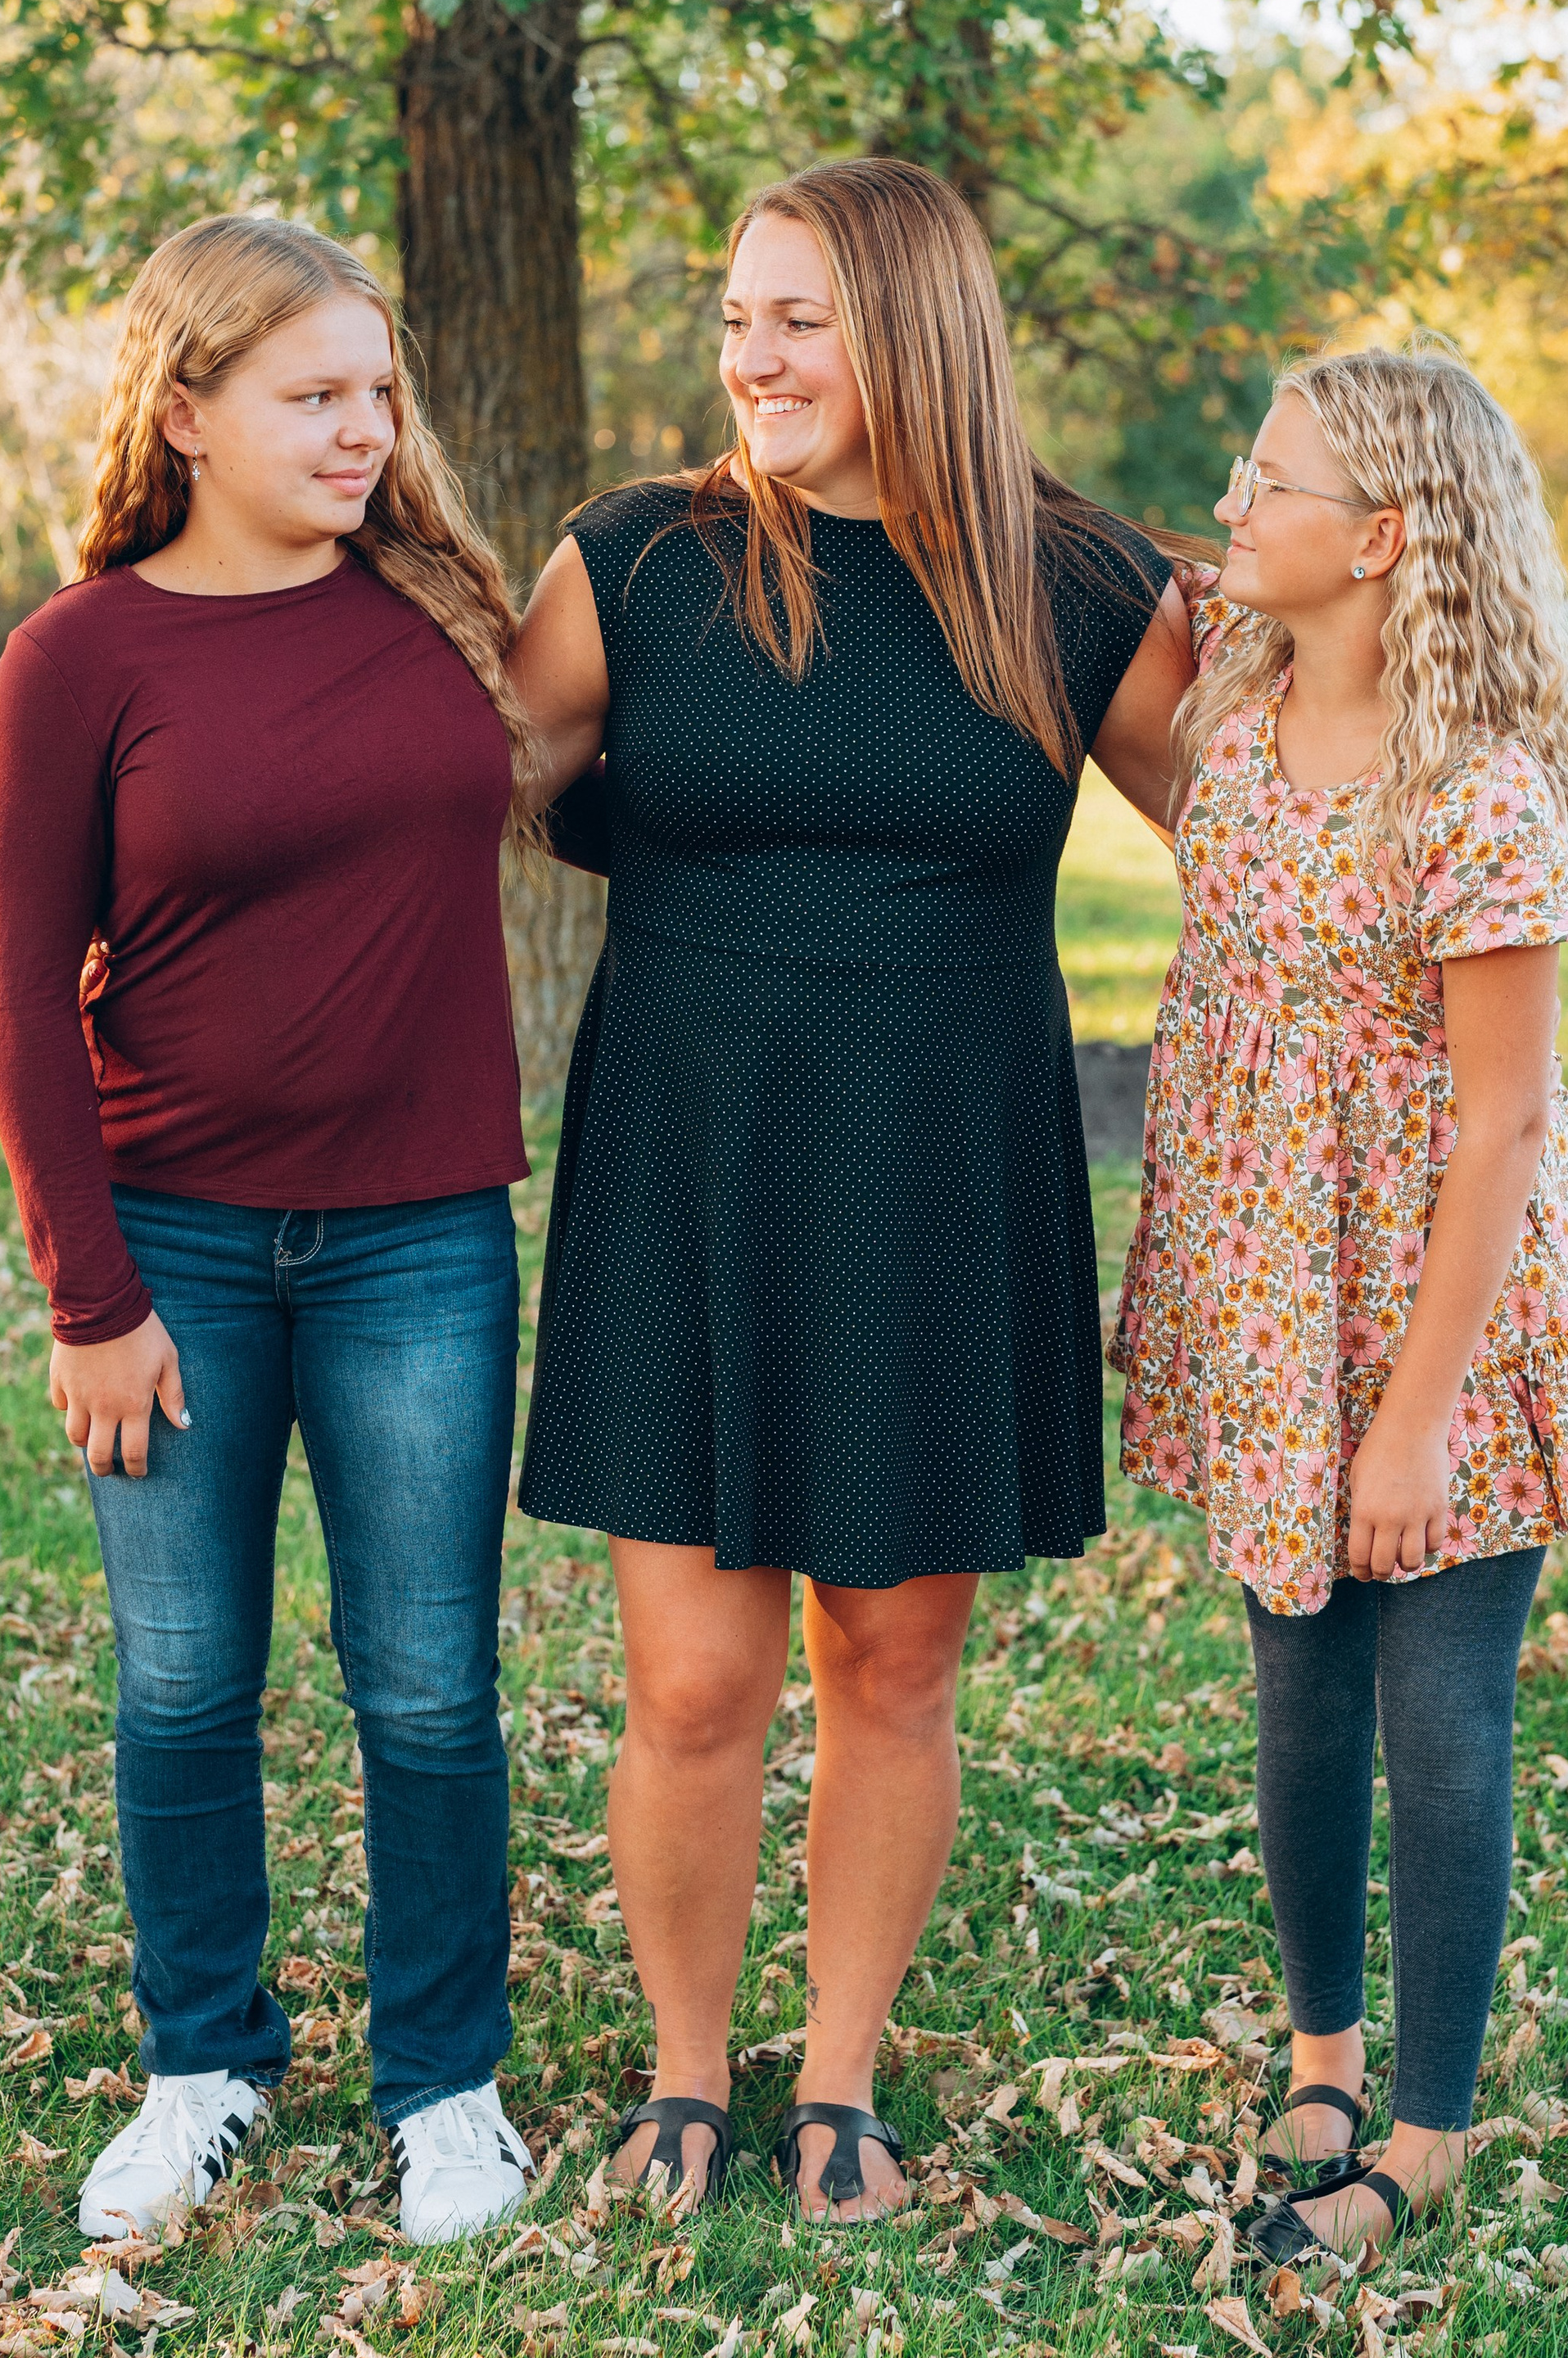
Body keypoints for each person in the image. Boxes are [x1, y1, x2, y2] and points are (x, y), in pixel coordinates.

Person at [508, 157, 1191, 2220]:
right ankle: (686, 2078)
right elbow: (445, 794)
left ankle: (837, 2089)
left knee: (891, 1664)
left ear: (912, 327)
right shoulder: (631, 562)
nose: (751, 351)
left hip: (935, 1182)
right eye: (737, 313)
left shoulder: (1076, 582)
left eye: (797, 315)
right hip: (682, 1172)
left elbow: (1267, 852)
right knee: (694, 1680)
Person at [0, 215, 541, 2247]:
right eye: (314, 397)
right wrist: (90, 1297)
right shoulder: (83, 655)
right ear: (187, 408)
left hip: (421, 1243)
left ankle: (444, 2088)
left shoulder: (443, 614)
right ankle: (202, 2060)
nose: (364, 431)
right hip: (174, 1248)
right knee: (187, 1684)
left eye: (378, 394)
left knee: (427, 1689)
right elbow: (24, 989)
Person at [1110, 342, 1568, 2269]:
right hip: (1274, 1299)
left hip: (1444, 1314)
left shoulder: (1474, 790)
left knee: (1438, 1713)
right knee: (1295, 1706)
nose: (1231, 505)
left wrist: (1415, 1418)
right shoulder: (1238, 711)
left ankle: (1421, 2129)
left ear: (1383, 536)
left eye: (1266, 482)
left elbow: (1503, 1123)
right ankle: (1324, 2050)